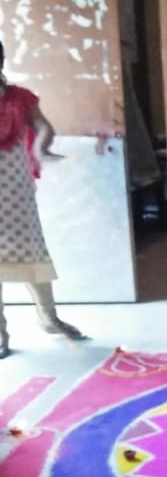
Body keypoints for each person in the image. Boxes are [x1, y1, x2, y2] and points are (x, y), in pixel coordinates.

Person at [0, 37, 84, 358]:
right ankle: (1, 333)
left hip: (14, 195)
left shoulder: (19, 99)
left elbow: (44, 127)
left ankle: (48, 318)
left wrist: (40, 146)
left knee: (30, 253)